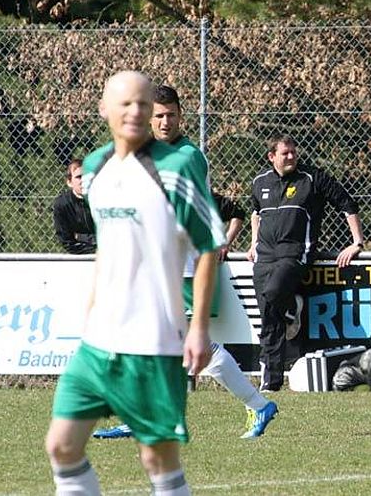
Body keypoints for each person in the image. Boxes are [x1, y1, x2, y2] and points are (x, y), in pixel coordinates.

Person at [45, 71, 224, 494]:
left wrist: (198, 328)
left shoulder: (177, 167)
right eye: (125, 103)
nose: (136, 111)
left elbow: (209, 247)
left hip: (155, 345)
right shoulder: (94, 169)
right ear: (104, 109)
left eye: (143, 103)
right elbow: (108, 248)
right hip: (98, 343)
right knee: (61, 446)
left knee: (158, 461)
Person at [94, 85, 277, 441]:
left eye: (171, 115)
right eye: (158, 116)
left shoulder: (188, 156)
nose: (165, 122)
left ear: (181, 116)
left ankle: (258, 404)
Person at [249, 135, 365, 392]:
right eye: (285, 153)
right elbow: (256, 212)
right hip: (264, 257)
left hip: (295, 254)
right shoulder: (260, 181)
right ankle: (271, 381)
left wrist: (357, 242)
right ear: (271, 157)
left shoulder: (312, 178)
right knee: (269, 317)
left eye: (293, 151)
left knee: (273, 295)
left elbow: (347, 204)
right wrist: (253, 242)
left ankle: (292, 306)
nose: (291, 156)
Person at [51, 158, 96, 254]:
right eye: (79, 177)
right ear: (69, 182)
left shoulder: (104, 200)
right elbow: (66, 241)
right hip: (78, 254)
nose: (83, 180)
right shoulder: (62, 204)